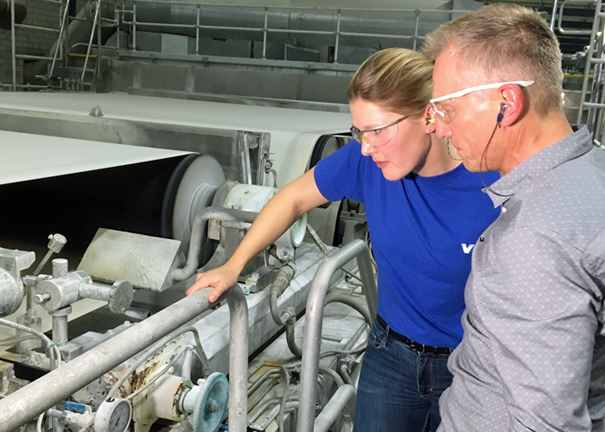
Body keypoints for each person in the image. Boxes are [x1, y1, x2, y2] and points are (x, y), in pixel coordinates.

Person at [187, 47, 499, 431]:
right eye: (359, 131)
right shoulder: (366, 160)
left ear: (429, 116)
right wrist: (233, 265)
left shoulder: (494, 179)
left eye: (378, 130)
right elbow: (293, 198)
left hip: (472, 366)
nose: (366, 146)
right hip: (391, 355)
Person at [422, 3, 605, 431]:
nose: (439, 128)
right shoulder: (591, 172)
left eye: (448, 109)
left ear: (507, 103)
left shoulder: (533, 239)